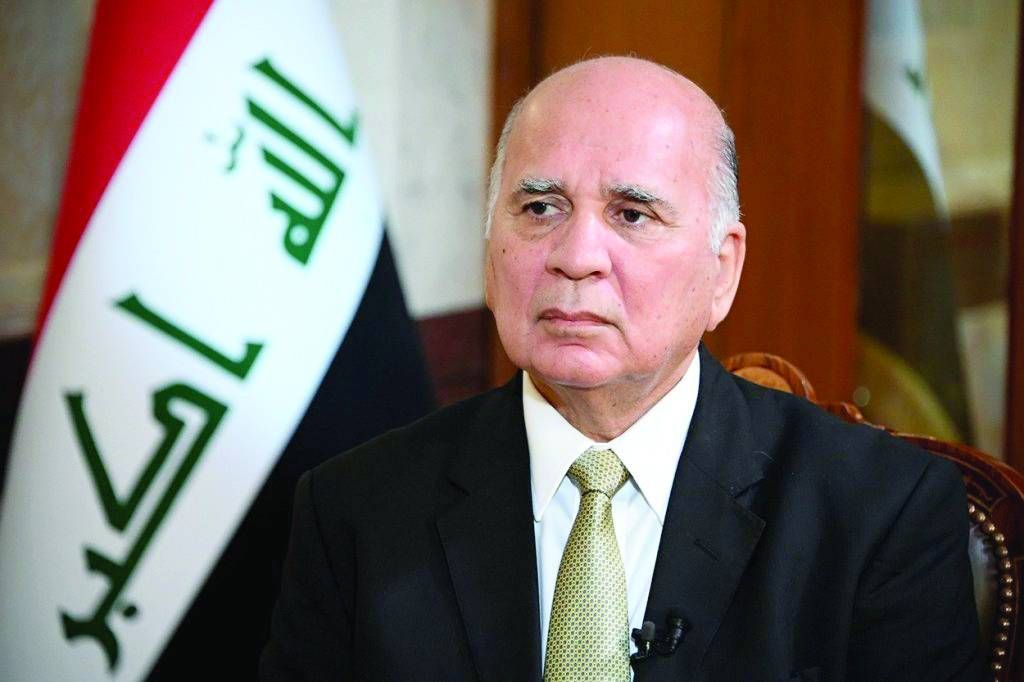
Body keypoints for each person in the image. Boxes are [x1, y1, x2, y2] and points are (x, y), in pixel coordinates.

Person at [260, 56, 983, 681]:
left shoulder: (881, 511)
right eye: (540, 207)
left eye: (632, 214)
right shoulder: (354, 511)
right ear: (489, 253)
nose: (576, 256)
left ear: (722, 270)